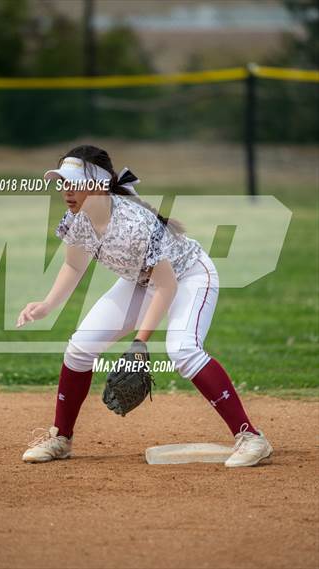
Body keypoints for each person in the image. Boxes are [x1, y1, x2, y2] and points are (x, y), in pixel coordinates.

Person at [16, 145, 273, 468]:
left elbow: (166, 286)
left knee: (183, 350)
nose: (65, 190)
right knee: (80, 348)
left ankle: (251, 437)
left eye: (72, 182)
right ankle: (61, 438)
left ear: (96, 185)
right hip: (139, 280)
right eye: (62, 183)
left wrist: (141, 340)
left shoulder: (134, 224)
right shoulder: (78, 217)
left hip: (189, 274)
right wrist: (47, 304)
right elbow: (73, 266)